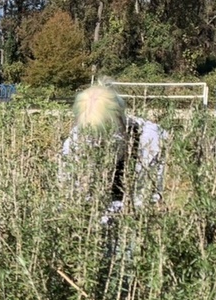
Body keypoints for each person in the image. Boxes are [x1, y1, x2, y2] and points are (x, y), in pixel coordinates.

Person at [61, 83, 165, 216]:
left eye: (106, 135)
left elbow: (147, 200)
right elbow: (68, 194)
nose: (98, 144)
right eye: (92, 136)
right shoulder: (75, 141)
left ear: (120, 121)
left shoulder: (149, 139)